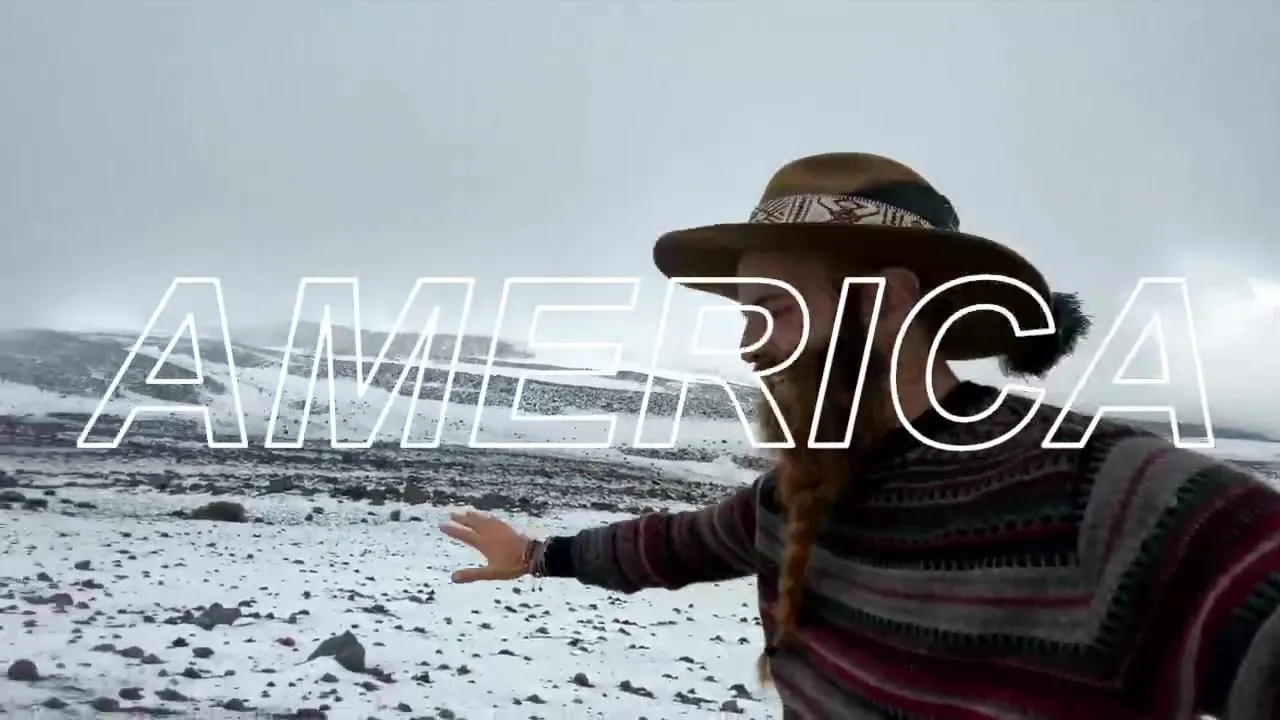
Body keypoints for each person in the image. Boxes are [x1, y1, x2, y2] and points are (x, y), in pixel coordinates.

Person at [439, 153, 1280, 719]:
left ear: (885, 303)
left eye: (771, 309)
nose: (750, 346)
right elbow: (674, 545)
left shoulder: (1100, 492)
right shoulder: (794, 497)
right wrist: (539, 555)